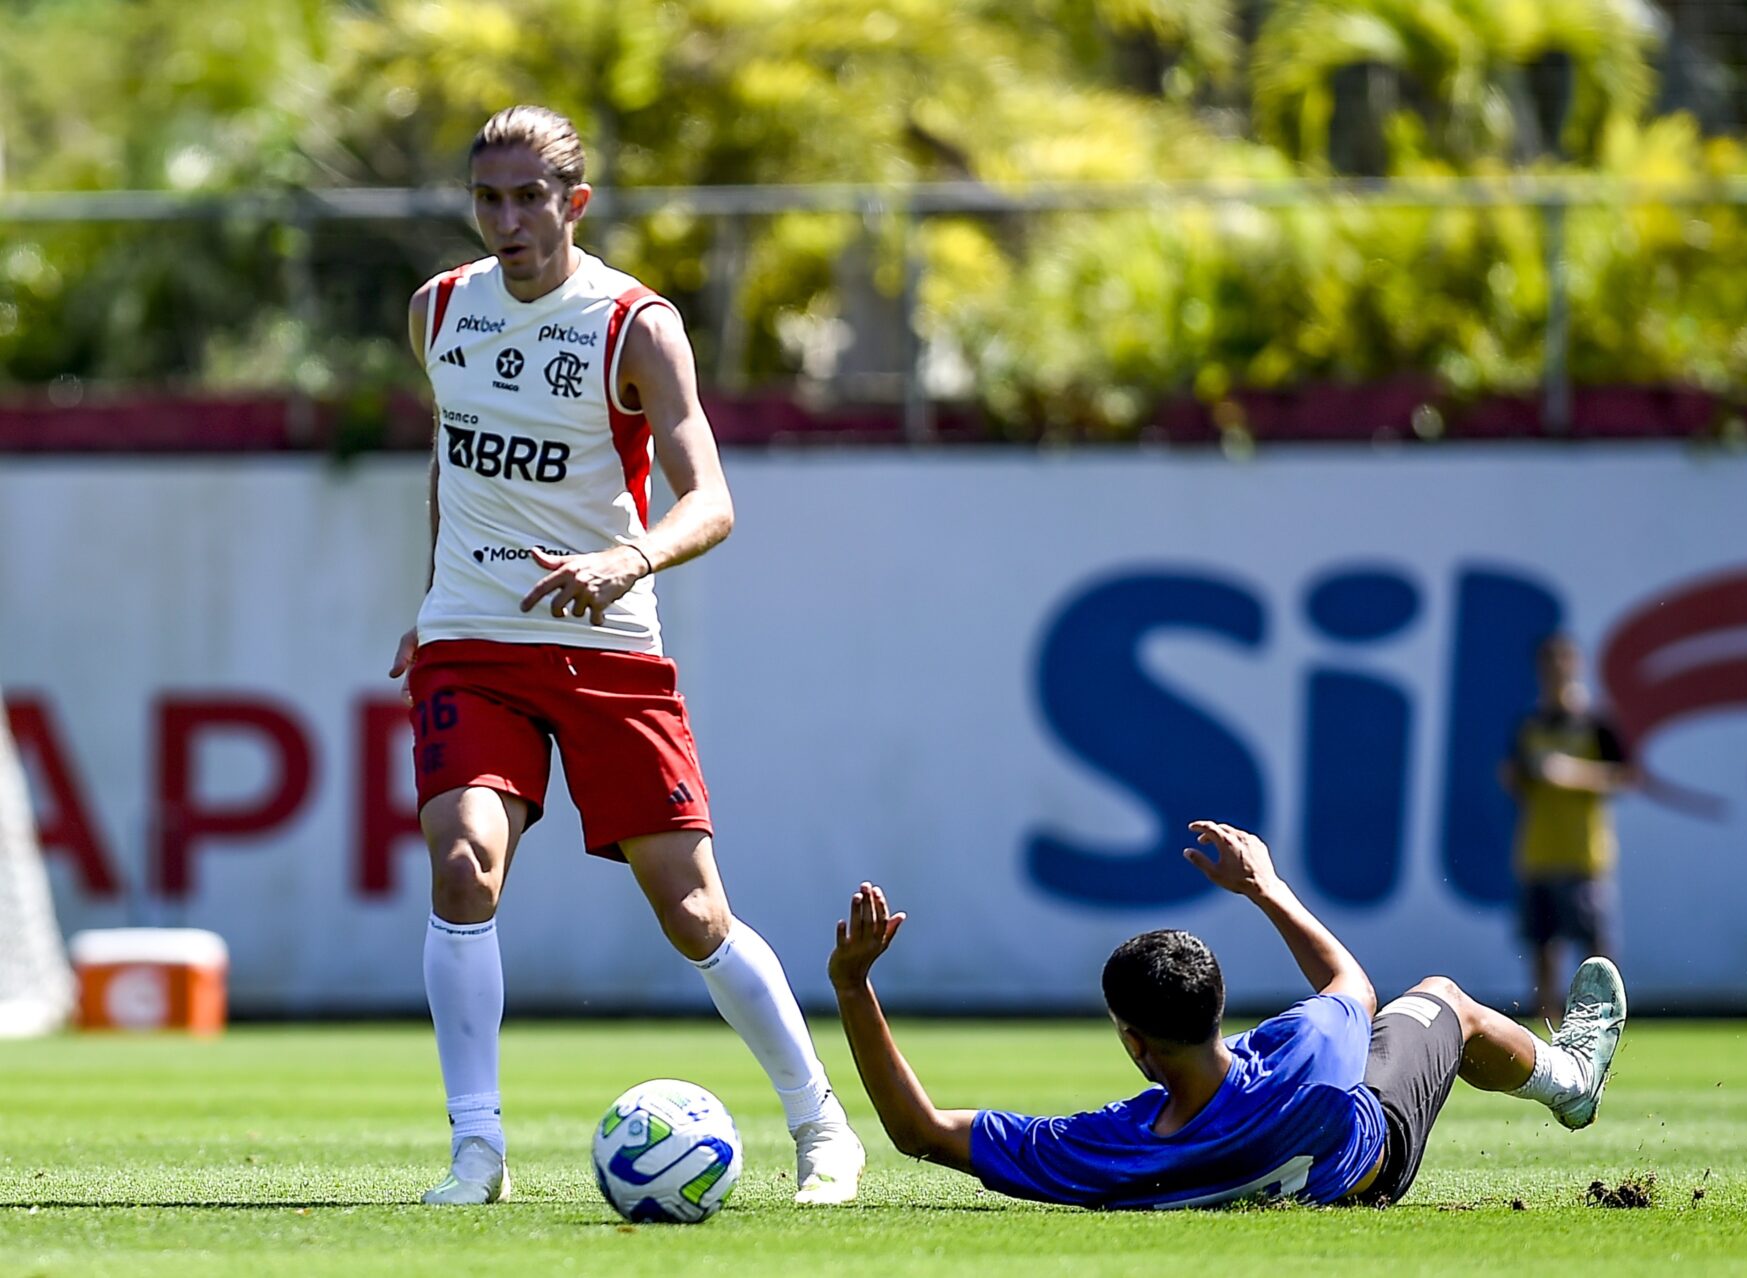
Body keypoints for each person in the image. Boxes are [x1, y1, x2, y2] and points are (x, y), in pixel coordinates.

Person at [388, 105, 863, 1206]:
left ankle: (819, 1126)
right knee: (463, 867)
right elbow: (450, 465)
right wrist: (432, 598)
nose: (506, 220)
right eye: (488, 198)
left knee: (692, 910)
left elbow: (713, 501)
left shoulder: (633, 324)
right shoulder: (438, 311)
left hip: (604, 640)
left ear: (574, 203)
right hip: (473, 638)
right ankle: (477, 1151)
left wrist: (627, 563)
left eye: (528, 198)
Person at [826, 820, 1625, 1209]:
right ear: (1217, 1007)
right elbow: (1353, 983)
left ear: (1135, 1045)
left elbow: (919, 1132)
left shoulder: (1105, 1153)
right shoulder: (1305, 1052)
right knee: (1445, 997)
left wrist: (855, 987)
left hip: (1313, 1181)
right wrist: (1265, 887)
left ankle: (1569, 1078)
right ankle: (1569, 1078)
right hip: (1369, 1151)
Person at [1503, 633, 1637, 1022]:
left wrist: (1570, 774)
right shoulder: (1529, 723)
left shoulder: (1595, 723)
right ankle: (1547, 1021)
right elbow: (1516, 777)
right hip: (1538, 850)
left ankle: (1602, 1020)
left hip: (1584, 852)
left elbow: (1624, 777)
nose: (1556, 672)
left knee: (1594, 948)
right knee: (1543, 947)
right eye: (1549, 664)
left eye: (1563, 663)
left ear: (1575, 666)